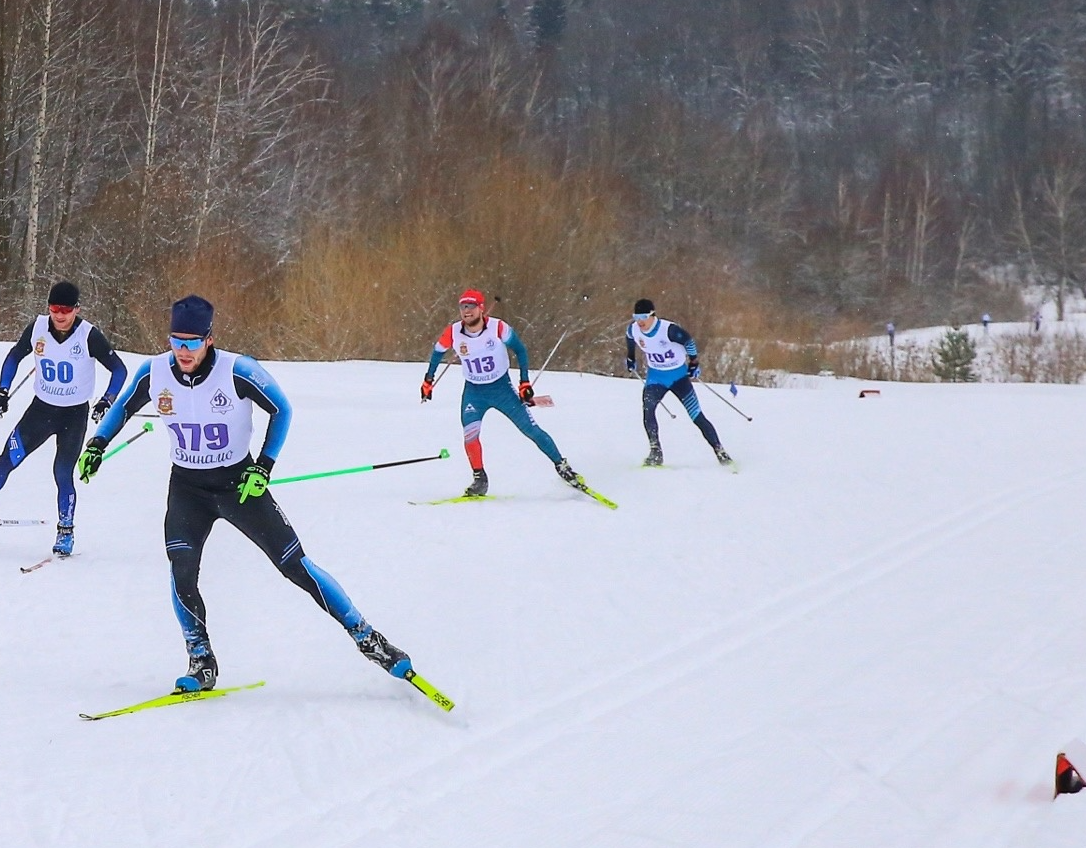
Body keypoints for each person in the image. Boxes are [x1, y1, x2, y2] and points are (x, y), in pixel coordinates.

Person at [77, 294, 419, 695]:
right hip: (187, 488)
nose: (183, 350)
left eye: (192, 341)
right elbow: (122, 408)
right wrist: (98, 443)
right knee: (182, 571)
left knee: (295, 566)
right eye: (176, 340)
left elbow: (282, 410)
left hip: (239, 484)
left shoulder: (237, 370)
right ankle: (200, 659)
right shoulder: (154, 372)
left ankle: (368, 638)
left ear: (209, 338)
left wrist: (264, 465)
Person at [0, 281, 126, 557]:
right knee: (8, 457)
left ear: (76, 309)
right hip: (41, 411)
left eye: (65, 309)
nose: (60, 315)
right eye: (54, 308)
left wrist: (106, 400)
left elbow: (119, 370)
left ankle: (66, 530)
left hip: (73, 415)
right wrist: (3, 390)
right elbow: (15, 355)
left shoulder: (89, 336)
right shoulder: (38, 328)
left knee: (62, 473)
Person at [420, 288, 585, 498]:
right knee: (470, 435)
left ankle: (562, 467)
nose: (466, 311)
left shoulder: (498, 328)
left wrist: (524, 382)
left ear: (481, 308)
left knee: (531, 430)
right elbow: (437, 353)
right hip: (474, 392)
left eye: (471, 306)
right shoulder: (453, 332)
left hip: (501, 389)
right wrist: (428, 380)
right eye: (463, 307)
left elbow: (520, 349)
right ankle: (480, 479)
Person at [625, 298, 731, 468]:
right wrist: (630, 357)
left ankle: (720, 451)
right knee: (648, 409)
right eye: (636, 317)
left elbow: (688, 341)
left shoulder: (668, 330)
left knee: (696, 416)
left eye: (643, 317)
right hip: (656, 378)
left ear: (652, 315)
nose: (640, 322)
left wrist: (694, 362)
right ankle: (655, 452)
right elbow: (629, 338)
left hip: (679, 377)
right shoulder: (634, 329)